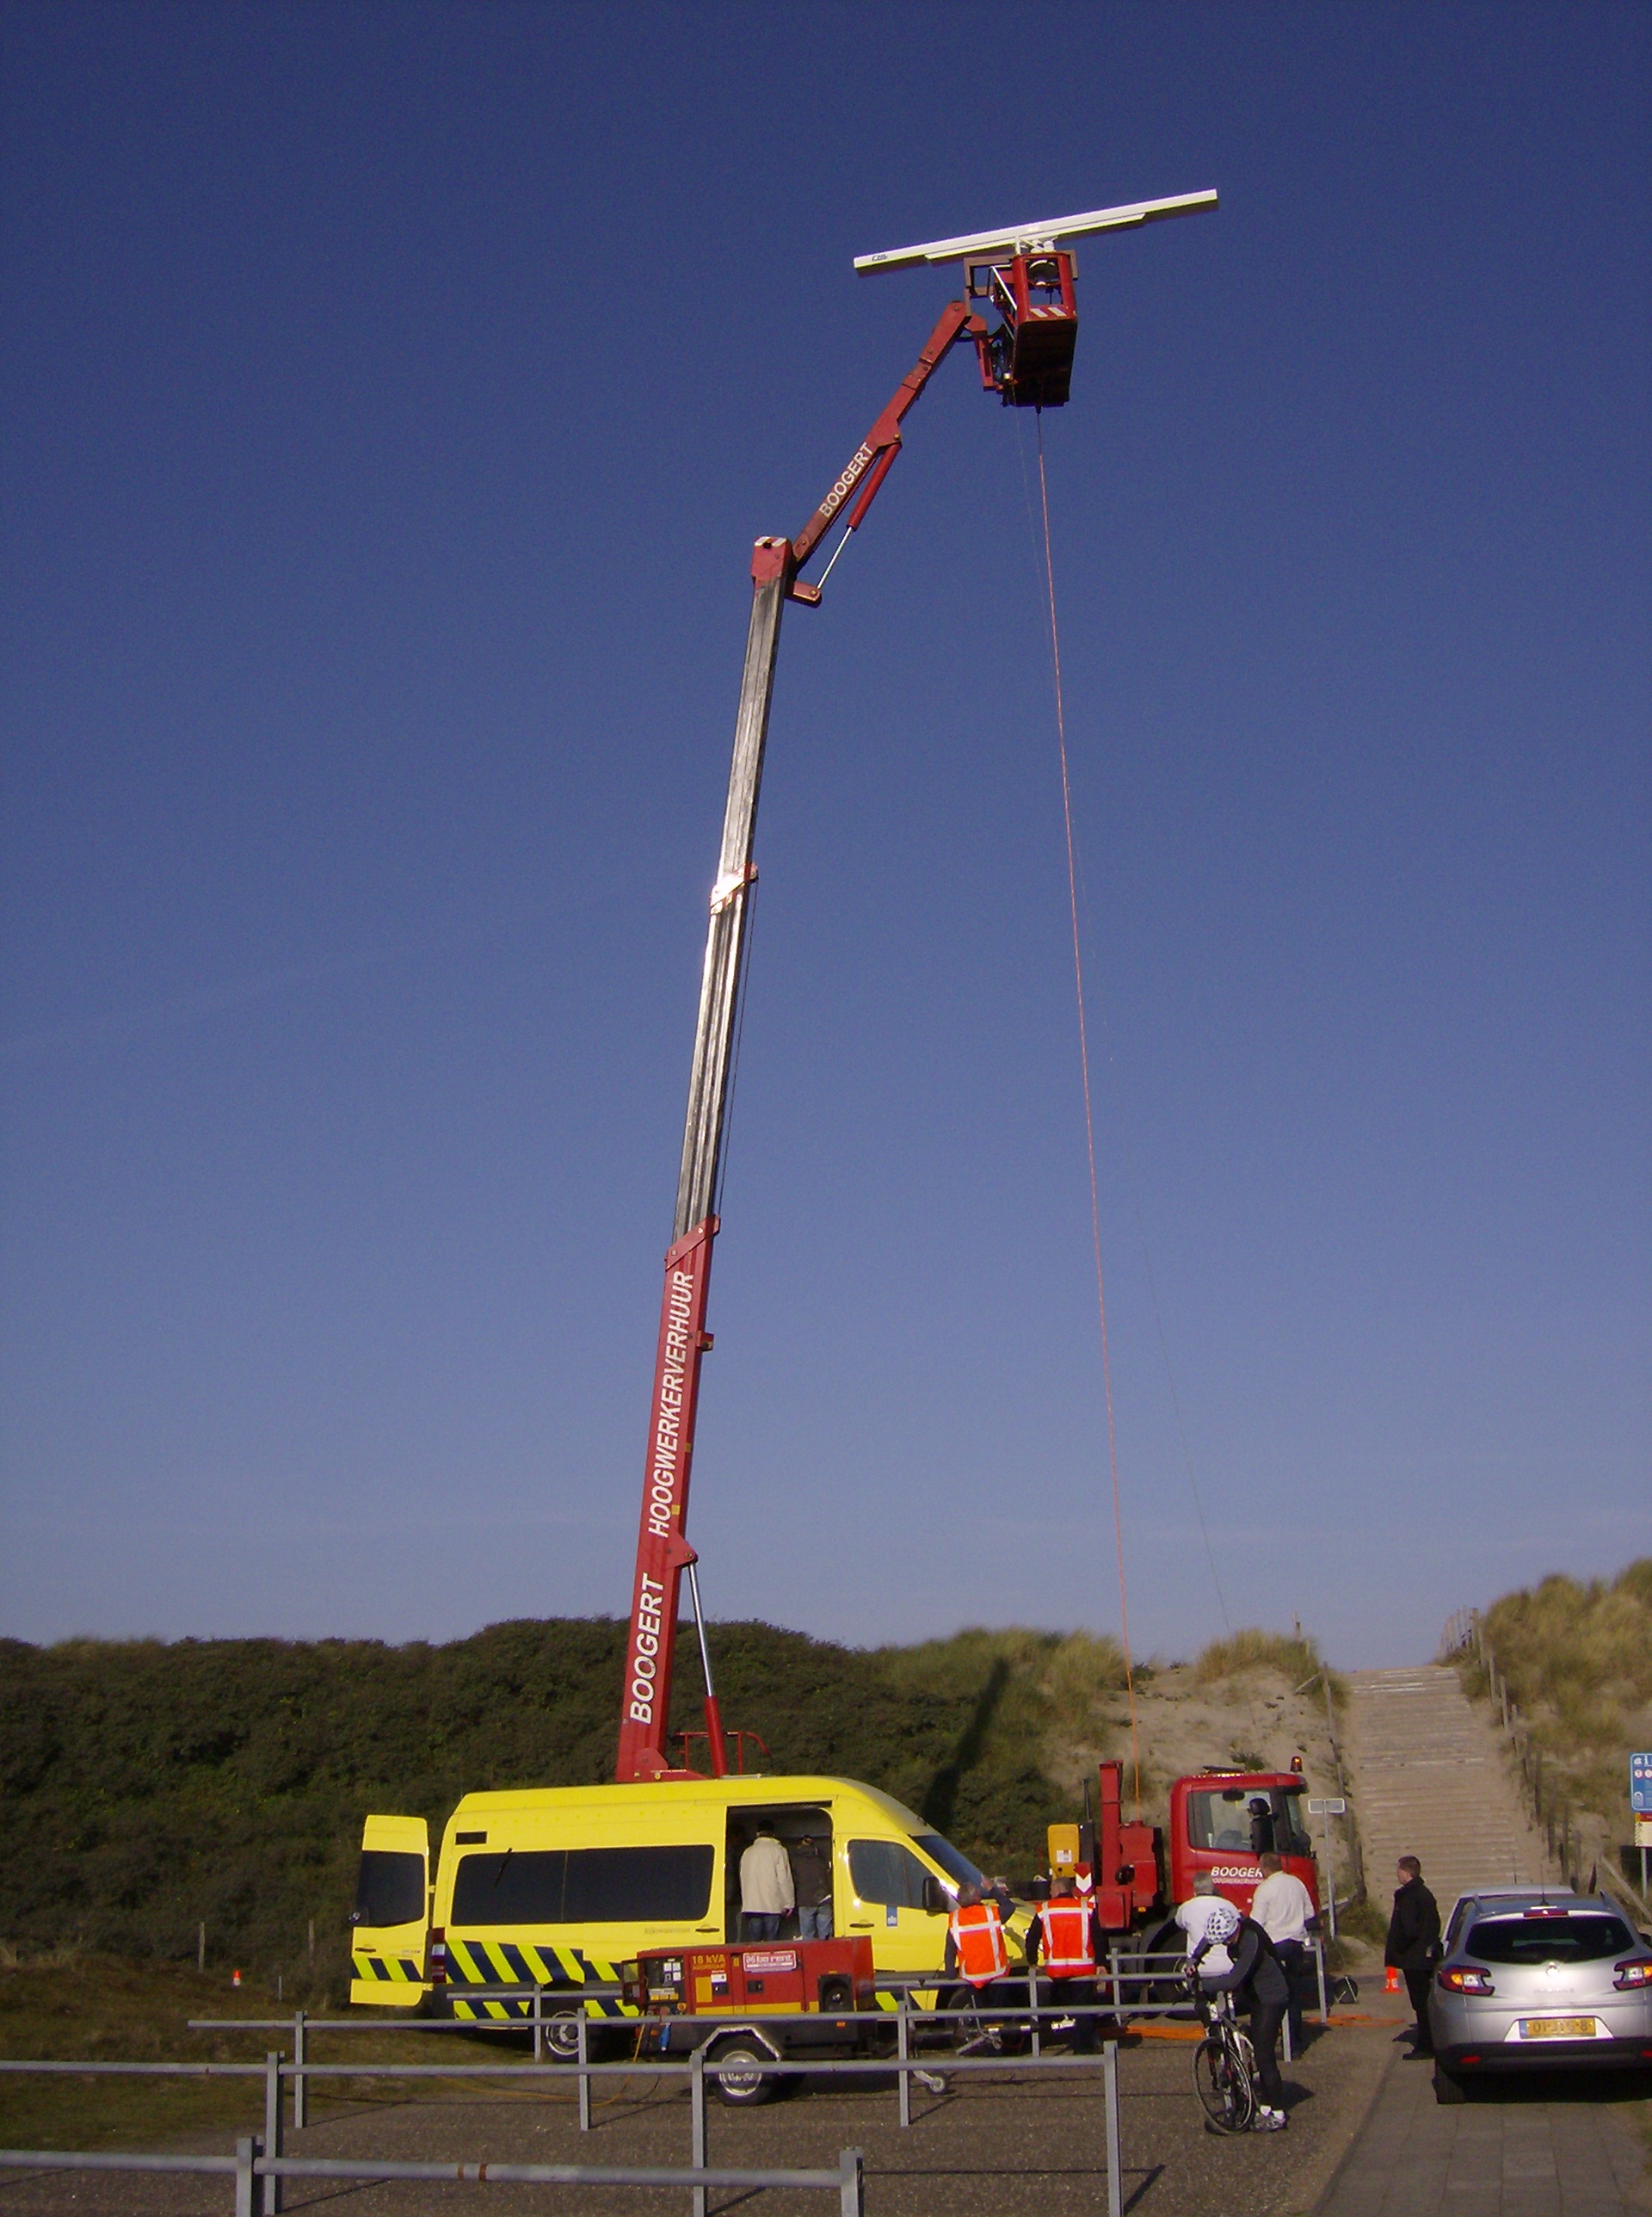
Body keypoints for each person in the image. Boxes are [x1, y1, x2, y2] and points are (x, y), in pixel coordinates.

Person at [1189, 1900, 1290, 2133]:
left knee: (1264, 2054)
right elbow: (1208, 1938)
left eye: (1225, 1941)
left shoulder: (1251, 1939)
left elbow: (1235, 1978)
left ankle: (1278, 2113)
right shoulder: (1232, 1928)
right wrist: (1194, 1959)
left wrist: (1205, 1985)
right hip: (1255, 1994)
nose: (1224, 1944)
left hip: (1272, 1995)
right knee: (1253, 2041)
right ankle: (1262, 2103)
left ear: (1233, 1932)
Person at [1025, 1873, 1105, 2051]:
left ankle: (1076, 2043)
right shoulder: (1086, 1908)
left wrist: (1032, 1962)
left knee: (1065, 2008)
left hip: (1056, 1971)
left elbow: (1031, 1939)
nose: (1050, 1892)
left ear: (1059, 1889)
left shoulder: (1045, 1910)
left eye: (1051, 1888)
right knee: (1083, 2010)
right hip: (1084, 1969)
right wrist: (1101, 1963)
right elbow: (1098, 1938)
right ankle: (1084, 2046)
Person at [1250, 1850, 1315, 2052]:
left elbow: (1256, 1923)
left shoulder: (1265, 1889)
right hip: (1296, 1943)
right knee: (1294, 1993)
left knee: (1273, 1994)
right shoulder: (1297, 1883)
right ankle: (1295, 2040)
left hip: (1275, 1945)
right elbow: (1309, 1913)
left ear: (1266, 1868)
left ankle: (1271, 2036)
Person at [1384, 1856, 1441, 2057]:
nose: (1397, 1874)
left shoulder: (1410, 1896)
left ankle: (1426, 2045)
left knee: (1421, 2004)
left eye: (1399, 1870)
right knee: (1425, 2002)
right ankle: (1429, 2041)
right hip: (1424, 1956)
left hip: (1415, 1958)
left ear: (1407, 1873)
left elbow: (1409, 1929)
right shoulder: (1424, 1894)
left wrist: (1397, 1948)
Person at [944, 1880, 1014, 2012]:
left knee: (979, 2015)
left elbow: (950, 1950)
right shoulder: (990, 1913)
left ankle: (981, 2031)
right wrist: (992, 1889)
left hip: (972, 1977)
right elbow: (1009, 1907)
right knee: (998, 2014)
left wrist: (950, 1974)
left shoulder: (955, 1919)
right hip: (997, 1974)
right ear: (975, 1897)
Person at [738, 1821, 794, 1942]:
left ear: (757, 1834)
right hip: (772, 1905)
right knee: (772, 1944)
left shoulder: (747, 1852)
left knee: (755, 1943)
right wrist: (789, 1903)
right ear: (773, 1834)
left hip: (752, 1905)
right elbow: (784, 1879)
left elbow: (743, 1877)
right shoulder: (779, 1850)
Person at [1175, 1876, 1235, 1979]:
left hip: (1200, 1968)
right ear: (1212, 1888)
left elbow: (1179, 1924)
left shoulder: (1185, 1908)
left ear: (1194, 1889)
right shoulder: (1228, 1905)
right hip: (1228, 1966)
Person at [791, 1832, 833, 1939]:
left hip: (805, 1900)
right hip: (824, 1898)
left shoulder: (795, 1860)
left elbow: (793, 1881)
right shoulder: (821, 1859)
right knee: (826, 1937)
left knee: (808, 1938)